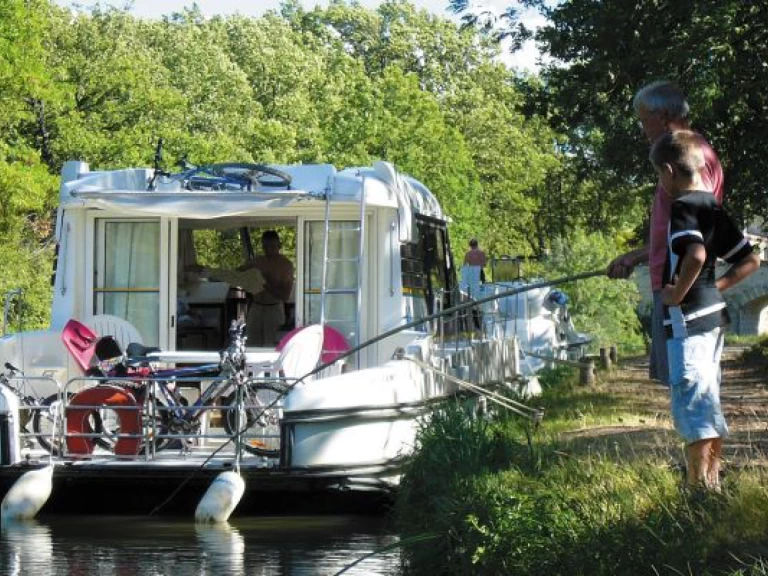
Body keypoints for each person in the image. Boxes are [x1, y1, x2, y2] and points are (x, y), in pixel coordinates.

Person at [651, 130, 759, 490]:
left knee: (693, 403)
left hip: (688, 321)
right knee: (708, 400)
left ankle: (697, 490)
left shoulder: (682, 206)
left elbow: (695, 254)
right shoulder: (710, 204)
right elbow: (750, 260)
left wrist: (676, 294)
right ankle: (711, 483)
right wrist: (717, 288)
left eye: (658, 176)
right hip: (711, 318)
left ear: (668, 170)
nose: (660, 184)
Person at [607, 81, 724, 384]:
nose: (642, 128)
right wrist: (637, 256)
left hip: (681, 290)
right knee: (680, 383)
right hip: (673, 283)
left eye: (643, 120)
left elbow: (698, 234)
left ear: (661, 116)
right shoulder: (681, 156)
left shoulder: (690, 159)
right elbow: (679, 231)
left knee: (689, 382)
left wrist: (679, 291)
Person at [240, 230, 294, 347]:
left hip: (274, 309)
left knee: (271, 346)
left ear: (279, 246)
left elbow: (285, 296)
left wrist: (266, 283)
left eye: (272, 246)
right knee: (251, 345)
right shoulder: (257, 261)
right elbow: (238, 273)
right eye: (265, 247)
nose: (268, 250)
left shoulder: (286, 265)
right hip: (256, 307)